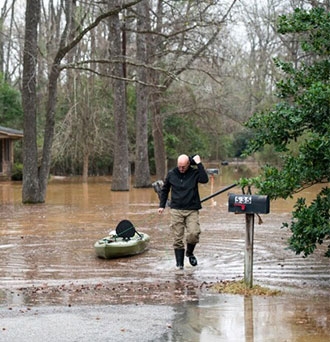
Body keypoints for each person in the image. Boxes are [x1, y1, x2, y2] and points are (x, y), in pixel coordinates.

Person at [158, 154, 209, 269]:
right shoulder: (172, 174)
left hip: (192, 209)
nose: (181, 169)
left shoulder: (195, 173)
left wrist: (199, 164)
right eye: (179, 166)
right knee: (177, 238)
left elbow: (204, 180)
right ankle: (179, 266)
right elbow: (165, 190)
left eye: (184, 167)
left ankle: (190, 253)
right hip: (176, 209)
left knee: (193, 234)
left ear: (188, 165)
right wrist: (162, 205)